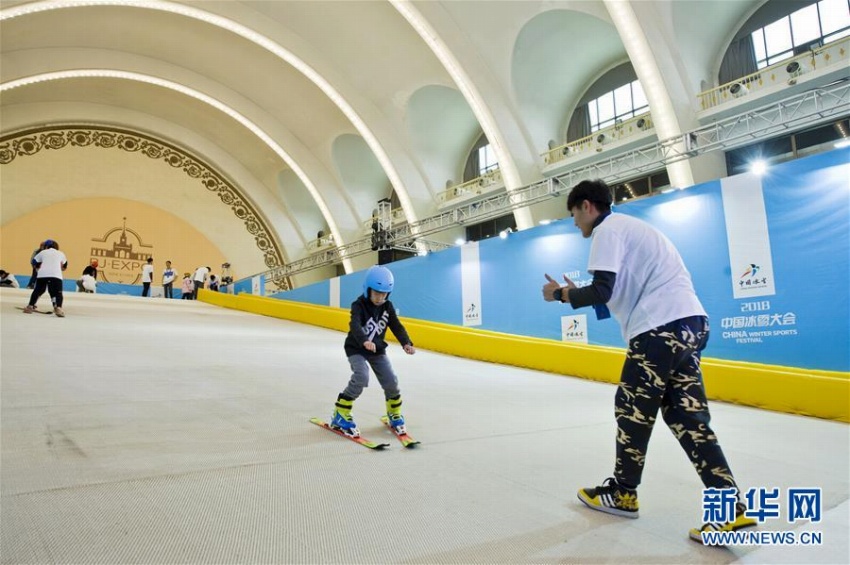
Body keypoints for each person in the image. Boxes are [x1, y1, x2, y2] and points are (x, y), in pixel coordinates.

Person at [541, 179, 756, 543]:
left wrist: (560, 294)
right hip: (690, 325)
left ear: (588, 206)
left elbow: (602, 290)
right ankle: (730, 510)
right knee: (688, 418)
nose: (575, 222)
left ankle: (623, 492)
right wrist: (581, 292)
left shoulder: (607, 230)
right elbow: (613, 296)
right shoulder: (634, 230)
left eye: (574, 214)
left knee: (631, 409)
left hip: (660, 329)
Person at [329, 265, 415, 437]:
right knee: (361, 376)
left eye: (384, 294)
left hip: (376, 349)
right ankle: (340, 413)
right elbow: (354, 325)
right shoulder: (358, 305)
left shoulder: (387, 306)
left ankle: (394, 413)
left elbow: (396, 326)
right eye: (376, 293)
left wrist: (406, 342)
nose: (380, 298)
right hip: (356, 347)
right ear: (367, 289)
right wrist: (365, 340)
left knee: (391, 380)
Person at [23, 239, 68, 316]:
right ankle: (58, 308)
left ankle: (30, 306)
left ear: (46, 246)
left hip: (42, 274)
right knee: (58, 293)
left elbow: (34, 261)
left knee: (37, 290)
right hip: (56, 275)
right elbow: (65, 266)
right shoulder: (61, 253)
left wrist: (37, 267)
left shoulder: (42, 252)